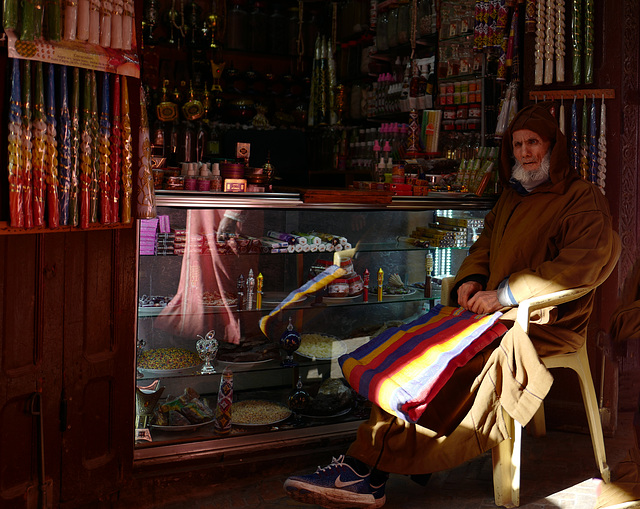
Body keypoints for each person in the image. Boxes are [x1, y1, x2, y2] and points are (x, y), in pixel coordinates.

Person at [283, 103, 617, 509]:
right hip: (490, 314)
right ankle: (371, 462)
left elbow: (582, 264)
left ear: (553, 148)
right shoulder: (513, 197)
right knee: (411, 350)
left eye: (534, 143)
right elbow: (484, 246)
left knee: (452, 366)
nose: (526, 153)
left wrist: (506, 294)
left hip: (542, 322)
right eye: (518, 145)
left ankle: (365, 469)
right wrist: (471, 280)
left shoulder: (581, 198)